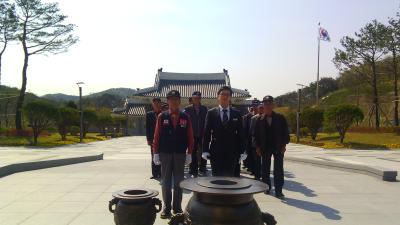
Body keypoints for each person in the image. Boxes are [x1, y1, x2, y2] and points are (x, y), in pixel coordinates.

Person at [152, 90, 194, 219]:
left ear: (180, 101)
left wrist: (189, 153)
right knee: (165, 181)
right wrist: (156, 153)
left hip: (180, 154)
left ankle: (177, 207)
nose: (174, 101)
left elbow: (190, 137)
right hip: (165, 153)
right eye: (171, 99)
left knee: (179, 181)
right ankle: (166, 208)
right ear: (168, 101)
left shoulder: (185, 117)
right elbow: (157, 136)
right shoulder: (162, 116)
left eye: (176, 99)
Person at [202, 86, 246, 177]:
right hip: (216, 150)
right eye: (223, 94)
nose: (225, 96)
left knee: (230, 178)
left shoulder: (236, 113)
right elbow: (206, 133)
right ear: (218, 96)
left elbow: (241, 134)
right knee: (216, 178)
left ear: (230, 97)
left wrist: (242, 150)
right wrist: (205, 150)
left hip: (232, 151)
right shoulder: (211, 113)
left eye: (227, 94)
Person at [254, 95, 290, 199]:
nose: (268, 106)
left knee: (278, 169)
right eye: (265, 104)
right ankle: (267, 187)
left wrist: (284, 145)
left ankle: (279, 190)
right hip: (265, 147)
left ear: (273, 105)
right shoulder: (259, 119)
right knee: (265, 168)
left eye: (270, 103)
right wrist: (257, 147)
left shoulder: (280, 118)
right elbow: (255, 135)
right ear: (263, 105)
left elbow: (285, 133)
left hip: (278, 146)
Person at [184, 91, 208, 177]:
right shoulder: (187, 109)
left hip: (202, 134)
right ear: (192, 99)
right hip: (192, 134)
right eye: (194, 98)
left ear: (200, 99)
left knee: (203, 151)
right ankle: (193, 169)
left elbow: (207, 122)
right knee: (192, 152)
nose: (196, 100)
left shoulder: (205, 109)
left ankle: (202, 168)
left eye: (198, 98)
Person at [243, 99, 260, 177]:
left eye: (257, 105)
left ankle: (258, 172)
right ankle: (253, 170)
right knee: (250, 156)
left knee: (258, 158)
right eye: (254, 106)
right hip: (249, 140)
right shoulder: (247, 117)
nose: (255, 107)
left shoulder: (262, 116)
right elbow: (245, 129)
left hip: (258, 141)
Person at [146, 97, 162, 179]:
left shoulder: (163, 114)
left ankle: (161, 173)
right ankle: (155, 174)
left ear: (160, 104)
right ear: (153, 104)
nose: (156, 105)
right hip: (153, 139)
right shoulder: (149, 114)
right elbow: (147, 128)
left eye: (158, 103)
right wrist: (148, 139)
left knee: (162, 156)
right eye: (155, 103)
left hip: (162, 139)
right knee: (153, 156)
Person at [250, 103, 264, 180]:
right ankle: (257, 175)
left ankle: (264, 173)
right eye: (260, 108)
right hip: (256, 142)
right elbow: (251, 130)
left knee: (265, 160)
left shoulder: (267, 117)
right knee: (257, 160)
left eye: (262, 108)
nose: (261, 109)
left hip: (265, 142)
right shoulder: (254, 118)